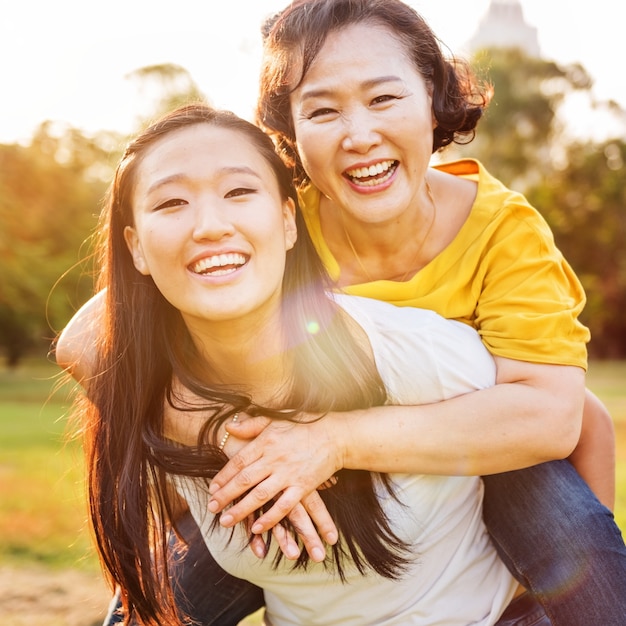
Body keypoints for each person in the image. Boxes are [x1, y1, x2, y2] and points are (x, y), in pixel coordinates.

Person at [60, 0, 626, 624]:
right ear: (290, 132)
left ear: (433, 98)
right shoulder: (273, 222)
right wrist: (223, 431)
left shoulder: (504, 234)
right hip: (289, 463)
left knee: (574, 545)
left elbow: (553, 417)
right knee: (156, 600)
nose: (358, 135)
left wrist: (332, 441)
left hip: (469, 459)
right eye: (322, 110)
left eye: (383, 99)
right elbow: (91, 336)